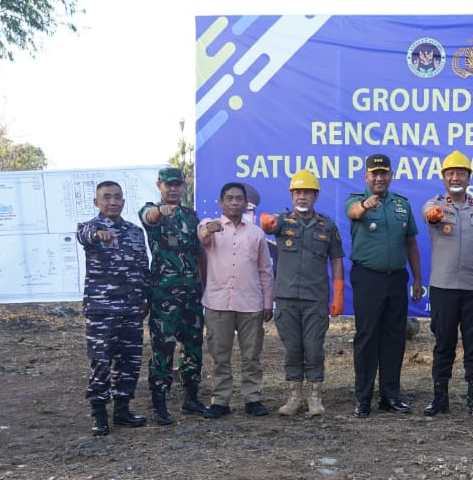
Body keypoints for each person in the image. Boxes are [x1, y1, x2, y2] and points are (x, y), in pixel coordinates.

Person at [420, 151, 473, 418]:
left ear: (469, 177)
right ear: (443, 177)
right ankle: (439, 397)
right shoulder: (435, 205)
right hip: (443, 288)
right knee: (443, 343)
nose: (455, 177)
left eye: (460, 173)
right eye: (450, 173)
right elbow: (427, 214)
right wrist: (432, 214)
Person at [259, 170, 345, 417]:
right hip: (285, 298)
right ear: (291, 194)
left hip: (315, 298)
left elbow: (337, 259)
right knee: (293, 349)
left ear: (316, 195)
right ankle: (295, 396)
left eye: (307, 192)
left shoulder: (327, 225)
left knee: (314, 348)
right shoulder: (283, 221)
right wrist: (266, 221)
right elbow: (268, 224)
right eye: (298, 192)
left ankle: (315, 397)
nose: (302, 197)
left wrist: (338, 294)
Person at [345, 153, 424, 418]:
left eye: (384, 173)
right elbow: (354, 213)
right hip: (368, 277)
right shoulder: (356, 200)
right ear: (366, 176)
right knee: (367, 337)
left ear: (390, 176)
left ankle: (390, 395)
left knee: (394, 337)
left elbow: (411, 243)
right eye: (374, 174)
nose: (379, 178)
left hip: (396, 278)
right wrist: (366, 205)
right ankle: (363, 397)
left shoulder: (402, 204)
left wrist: (418, 279)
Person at [76, 181, 150, 436]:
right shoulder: (90, 228)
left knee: (129, 361)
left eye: (117, 197)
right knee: (101, 362)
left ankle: (122, 410)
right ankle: (98, 412)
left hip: (131, 308)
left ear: (123, 202)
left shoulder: (135, 232)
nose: (112, 202)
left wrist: (145, 298)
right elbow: (82, 235)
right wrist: (98, 234)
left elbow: (143, 267)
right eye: (106, 197)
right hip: (101, 310)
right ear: (97, 202)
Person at [197, 182, 275, 418]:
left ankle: (253, 398)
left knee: (251, 356)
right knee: (220, 356)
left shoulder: (256, 233)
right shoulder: (210, 226)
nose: (233, 202)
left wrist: (267, 302)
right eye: (229, 198)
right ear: (221, 203)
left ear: (245, 203)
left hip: (250, 303)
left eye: (238, 199)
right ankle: (220, 401)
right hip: (217, 302)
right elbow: (203, 236)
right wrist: (211, 228)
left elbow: (265, 270)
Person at [141, 167, 208, 424]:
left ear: (183, 186)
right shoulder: (151, 210)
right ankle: (159, 403)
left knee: (193, 347)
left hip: (191, 293)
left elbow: (199, 252)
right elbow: (148, 217)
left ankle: (191, 398)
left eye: (177, 184)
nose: (173, 189)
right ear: (159, 185)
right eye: (168, 184)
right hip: (163, 295)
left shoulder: (191, 216)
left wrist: (205, 284)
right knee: (163, 348)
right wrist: (160, 211)